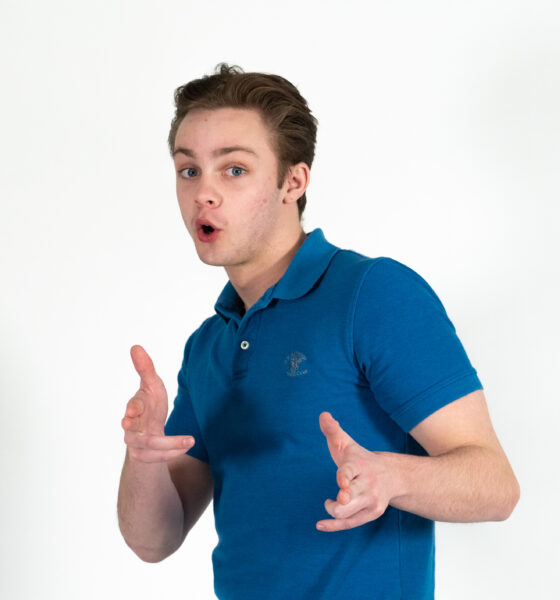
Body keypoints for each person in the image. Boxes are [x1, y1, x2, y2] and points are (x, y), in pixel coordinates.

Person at [117, 64, 519, 599]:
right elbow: (153, 541)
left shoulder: (374, 295)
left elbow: (496, 486)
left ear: (294, 181)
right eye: (188, 170)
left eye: (234, 169)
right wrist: (142, 455)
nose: (204, 193)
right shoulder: (208, 345)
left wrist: (392, 478)